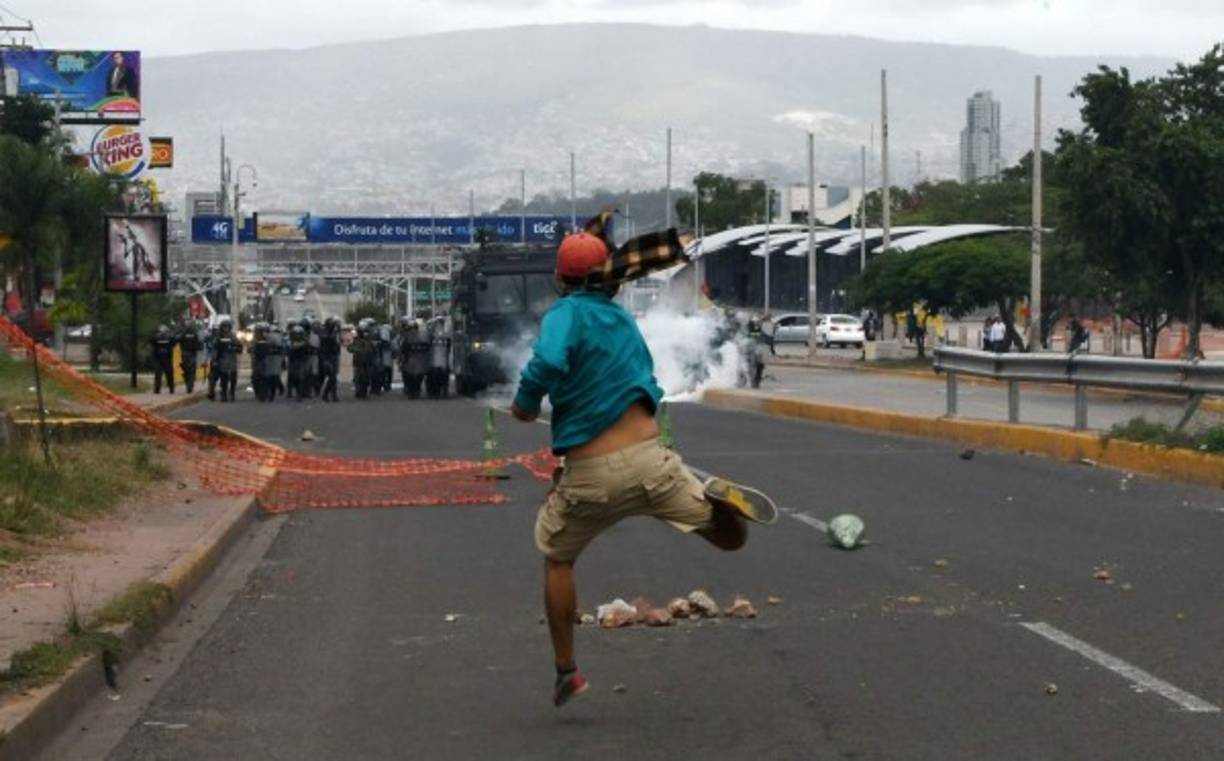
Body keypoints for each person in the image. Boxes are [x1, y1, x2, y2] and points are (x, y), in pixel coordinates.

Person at [511, 232, 776, 708]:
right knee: (727, 538)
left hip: (591, 473)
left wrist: (526, 403)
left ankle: (567, 671)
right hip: (654, 461)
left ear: (559, 278)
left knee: (557, 556)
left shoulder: (565, 313)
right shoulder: (621, 318)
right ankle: (722, 506)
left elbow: (548, 360)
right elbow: (646, 375)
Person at [208, 318, 242, 402]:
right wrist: (214, 360)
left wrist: (234, 348)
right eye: (224, 327)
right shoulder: (218, 337)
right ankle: (223, 394)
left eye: (227, 327)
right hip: (222, 360)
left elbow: (239, 346)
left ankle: (232, 393)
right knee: (223, 379)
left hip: (231, 360)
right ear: (221, 327)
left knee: (233, 378)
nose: (226, 329)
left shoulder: (233, 336)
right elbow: (214, 349)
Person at [318, 317, 342, 402]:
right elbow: (327, 339)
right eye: (331, 324)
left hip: (333, 356)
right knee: (332, 377)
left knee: (333, 377)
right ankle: (329, 395)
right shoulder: (324, 333)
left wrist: (338, 331)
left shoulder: (334, 333)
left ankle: (330, 395)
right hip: (326, 357)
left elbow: (339, 343)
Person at [177, 321, 203, 394]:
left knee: (187, 370)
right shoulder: (194, 334)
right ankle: (190, 385)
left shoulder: (184, 333)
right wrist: (199, 347)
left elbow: (180, 342)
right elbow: (198, 343)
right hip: (191, 353)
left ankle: (189, 385)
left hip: (186, 353)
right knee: (191, 370)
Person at [149, 324, 176, 394]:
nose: (163, 334)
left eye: (165, 332)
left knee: (169, 374)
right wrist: (155, 334)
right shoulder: (156, 338)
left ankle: (171, 388)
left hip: (167, 358)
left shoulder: (170, 338)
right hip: (158, 358)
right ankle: (157, 389)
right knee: (158, 374)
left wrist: (171, 335)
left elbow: (174, 342)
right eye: (161, 332)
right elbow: (151, 340)